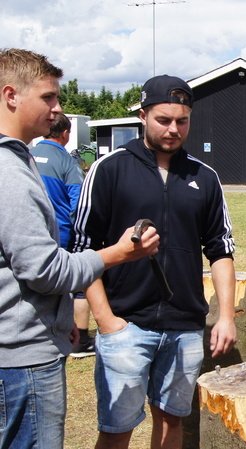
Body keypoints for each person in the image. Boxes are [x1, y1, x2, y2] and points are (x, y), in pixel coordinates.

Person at [0, 47, 159, 449]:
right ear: (10, 96)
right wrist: (118, 253)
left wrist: (57, 318)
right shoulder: (9, 172)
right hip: (22, 361)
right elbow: (44, 270)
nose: (58, 109)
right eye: (48, 97)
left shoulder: (19, 161)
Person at [72, 74, 238, 449]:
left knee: (171, 422)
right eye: (163, 120)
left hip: (184, 327)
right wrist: (106, 321)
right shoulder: (109, 169)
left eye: (182, 121)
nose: (173, 129)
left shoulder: (204, 177)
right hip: (126, 325)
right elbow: (83, 250)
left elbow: (221, 250)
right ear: (143, 115)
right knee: (116, 431)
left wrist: (226, 315)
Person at [31, 112, 95, 357]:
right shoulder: (67, 162)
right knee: (78, 284)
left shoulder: (25, 155)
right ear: (66, 133)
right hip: (60, 234)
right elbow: (78, 204)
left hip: (29, 233)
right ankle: (80, 339)